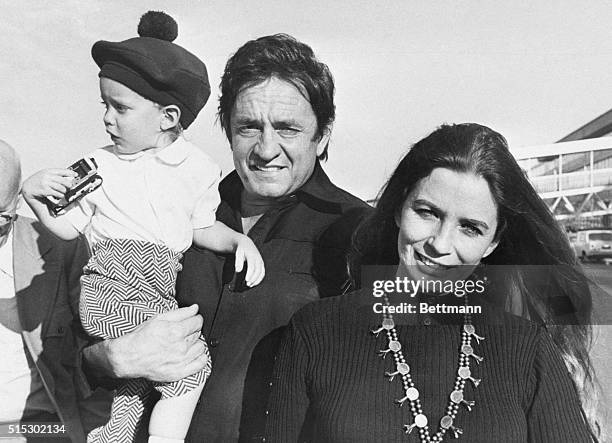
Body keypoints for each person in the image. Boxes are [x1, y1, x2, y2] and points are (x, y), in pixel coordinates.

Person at [265, 123, 600, 442]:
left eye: (470, 228)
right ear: (398, 209)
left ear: (493, 242)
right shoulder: (315, 333)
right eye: (427, 212)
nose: (440, 244)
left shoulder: (528, 351)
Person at [22, 12, 264, 443]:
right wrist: (34, 195)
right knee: (189, 363)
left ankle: (111, 437)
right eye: (105, 105)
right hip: (109, 289)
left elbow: (200, 227)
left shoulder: (197, 168)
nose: (107, 119)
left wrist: (237, 241)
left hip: (157, 289)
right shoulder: (98, 165)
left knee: (136, 382)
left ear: (168, 116)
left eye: (121, 107)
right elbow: (67, 228)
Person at [0, 140, 112, 443]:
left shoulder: (60, 248)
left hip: (39, 430)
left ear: (17, 202)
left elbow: (96, 347)